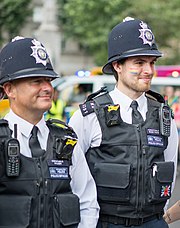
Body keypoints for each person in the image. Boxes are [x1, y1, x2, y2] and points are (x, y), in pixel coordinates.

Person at [69, 17, 178, 228]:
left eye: (152, 62)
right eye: (139, 62)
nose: (148, 70)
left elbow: (170, 174)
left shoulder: (164, 117)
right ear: (117, 65)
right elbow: (72, 181)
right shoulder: (88, 116)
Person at [0, 36, 99, 227]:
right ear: (10, 89)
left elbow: (87, 202)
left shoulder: (66, 141)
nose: (47, 88)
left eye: (49, 80)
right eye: (36, 81)